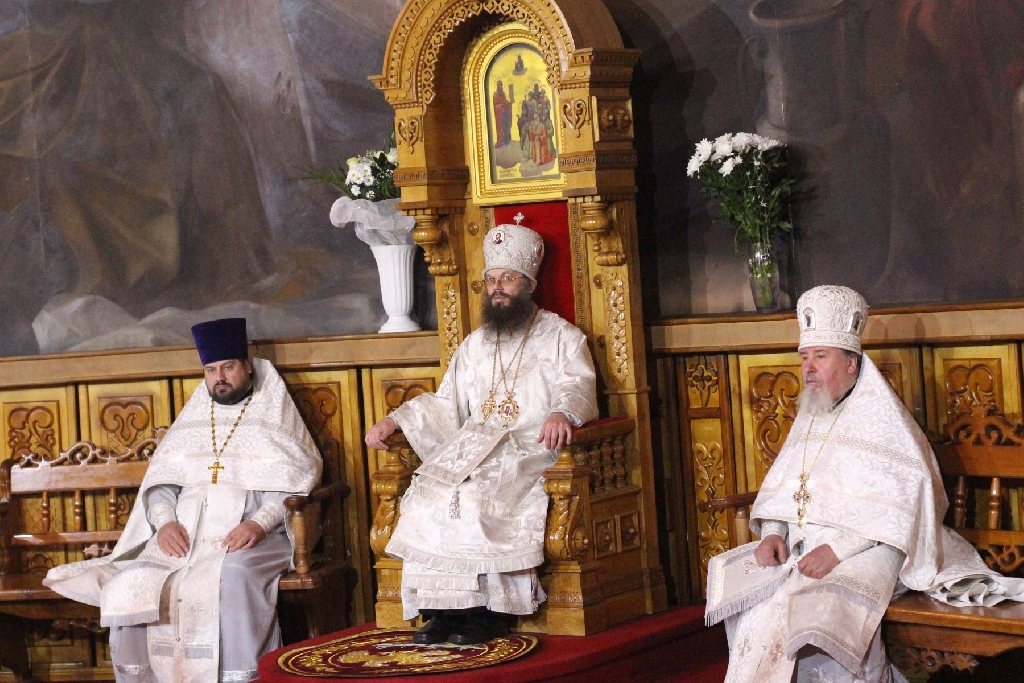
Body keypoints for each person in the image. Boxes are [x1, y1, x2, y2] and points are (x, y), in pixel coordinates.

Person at [707, 285, 1024, 683]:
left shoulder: (886, 422)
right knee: (755, 598)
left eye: (821, 356)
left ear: (852, 363)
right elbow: (785, 487)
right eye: (804, 357)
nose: (808, 368)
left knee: (819, 610)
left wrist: (837, 550)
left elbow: (905, 508)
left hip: (873, 550)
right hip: (804, 550)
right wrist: (773, 531)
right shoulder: (812, 413)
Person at [44, 318, 322, 683]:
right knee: (133, 579)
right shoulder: (194, 417)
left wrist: (258, 523)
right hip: (185, 537)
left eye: (228, 367)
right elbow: (161, 481)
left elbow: (295, 478)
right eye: (211, 370)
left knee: (233, 575)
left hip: (255, 537)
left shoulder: (273, 412)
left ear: (247, 367)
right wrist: (165, 523)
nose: (219, 378)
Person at [365, 218, 598, 646]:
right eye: (491, 279)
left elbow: (577, 384)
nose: (497, 288)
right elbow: (446, 403)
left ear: (528, 284)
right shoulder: (475, 343)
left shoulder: (561, 336)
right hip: (471, 448)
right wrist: (396, 420)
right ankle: (442, 612)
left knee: (476, 499)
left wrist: (562, 412)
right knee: (430, 493)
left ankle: (485, 613)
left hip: (530, 447)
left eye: (507, 278)